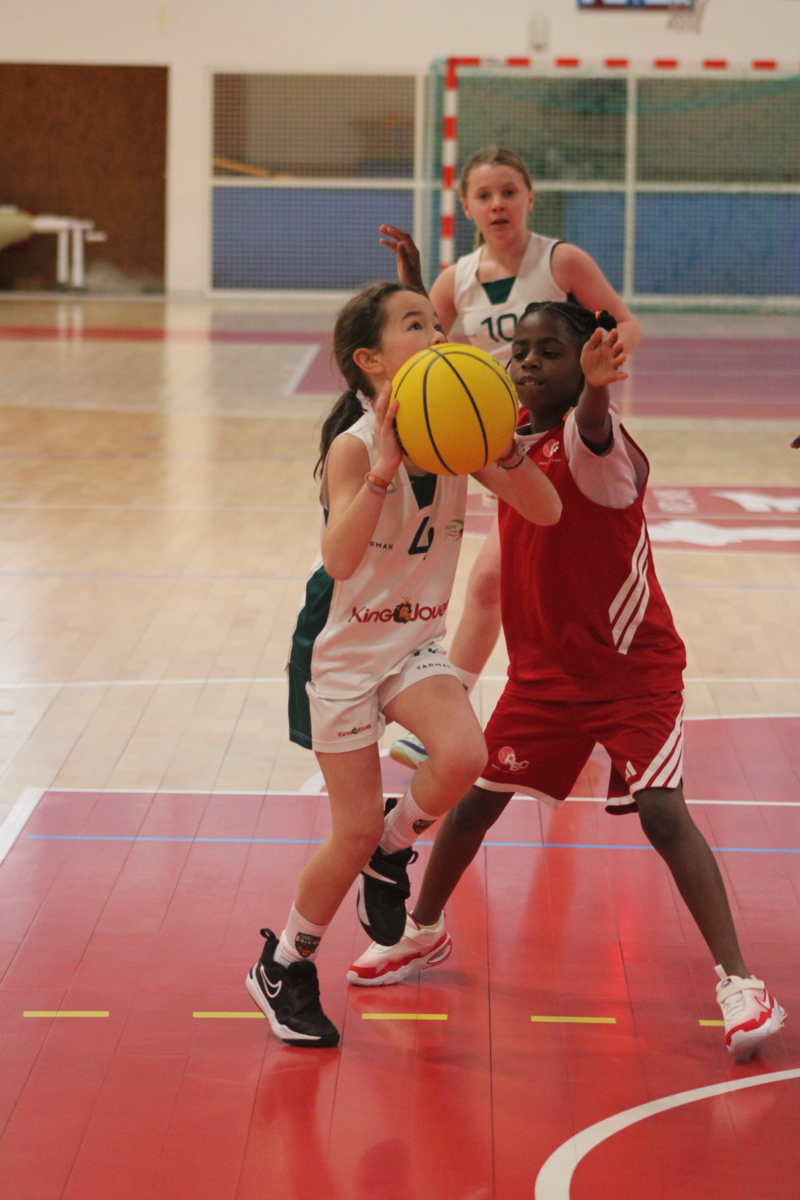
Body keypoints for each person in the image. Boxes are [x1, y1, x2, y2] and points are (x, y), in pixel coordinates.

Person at [349, 300, 786, 1061]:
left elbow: (592, 428)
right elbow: (441, 392)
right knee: (474, 803)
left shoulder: (599, 446)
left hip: (632, 672)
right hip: (543, 676)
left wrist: (596, 389)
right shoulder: (506, 439)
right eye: (520, 349)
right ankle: (422, 930)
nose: (527, 362)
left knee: (663, 814)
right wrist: (420, 317)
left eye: (549, 352)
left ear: (585, 365)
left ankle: (741, 982)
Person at [246, 280, 561, 1048]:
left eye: (434, 322)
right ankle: (285, 964)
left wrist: (505, 451)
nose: (436, 332)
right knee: (350, 829)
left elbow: (546, 509)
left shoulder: (456, 429)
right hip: (341, 649)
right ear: (371, 360)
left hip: (413, 641)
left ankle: (393, 851)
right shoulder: (355, 446)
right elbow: (338, 558)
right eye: (415, 324)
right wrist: (384, 468)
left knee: (463, 754)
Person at [379, 145, 642, 769]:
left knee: (502, 580)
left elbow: (627, 324)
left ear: (529, 197)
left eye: (508, 192)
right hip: (505, 443)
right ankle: (585, 712)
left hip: (568, 435)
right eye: (484, 195)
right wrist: (413, 283)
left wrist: (594, 372)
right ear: (466, 206)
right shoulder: (456, 280)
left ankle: (468, 719)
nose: (497, 204)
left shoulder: (561, 261)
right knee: (519, 582)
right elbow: (425, 350)